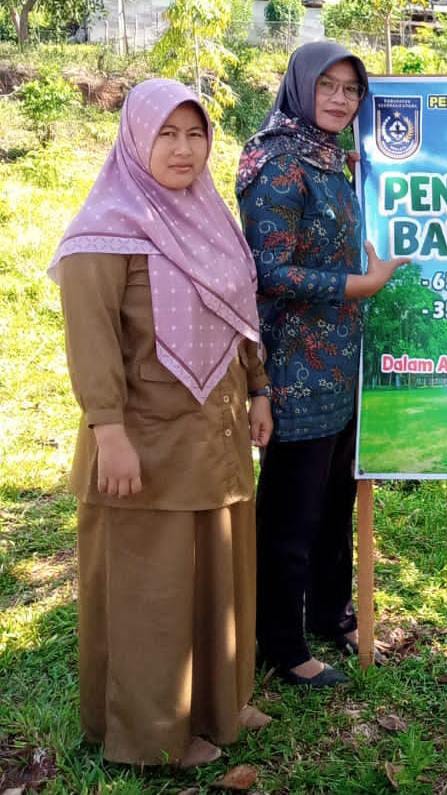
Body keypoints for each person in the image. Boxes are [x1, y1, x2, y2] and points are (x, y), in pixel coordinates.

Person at [52, 78, 273, 767]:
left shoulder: (207, 215)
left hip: (215, 433)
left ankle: (216, 702)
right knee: (152, 586)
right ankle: (153, 735)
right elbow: (89, 341)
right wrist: (108, 433)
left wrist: (259, 389)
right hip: (142, 440)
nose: (183, 149)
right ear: (135, 139)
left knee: (218, 571)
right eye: (166, 134)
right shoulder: (103, 231)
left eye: (195, 133)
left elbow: (242, 312)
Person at [237, 41, 407, 687]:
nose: (340, 99)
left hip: (340, 362)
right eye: (328, 86)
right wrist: (359, 285)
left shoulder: (332, 158)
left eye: (351, 90)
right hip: (293, 367)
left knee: (335, 500)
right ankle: (281, 643)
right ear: (301, 85)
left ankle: (329, 612)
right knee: (292, 510)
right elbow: (266, 272)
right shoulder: (277, 160)